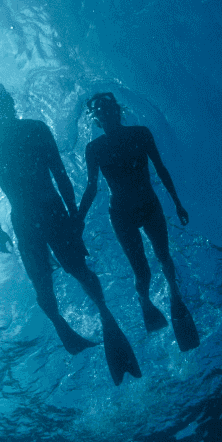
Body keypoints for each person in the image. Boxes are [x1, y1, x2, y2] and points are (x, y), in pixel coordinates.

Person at [0, 84, 141, 385]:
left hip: (46, 213)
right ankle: (72, 325)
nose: (5, 104)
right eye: (0, 101)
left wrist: (74, 214)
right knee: (47, 282)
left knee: (72, 272)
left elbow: (59, 172)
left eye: (6, 99)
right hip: (34, 217)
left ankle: (104, 319)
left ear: (9, 103)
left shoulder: (21, 133)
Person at [75, 92, 200, 351]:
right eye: (100, 110)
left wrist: (177, 202)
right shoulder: (94, 149)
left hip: (149, 206)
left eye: (108, 107)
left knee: (164, 256)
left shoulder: (140, 133)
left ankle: (175, 296)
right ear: (96, 118)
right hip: (121, 214)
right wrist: (79, 219)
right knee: (142, 271)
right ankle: (145, 302)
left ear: (117, 110)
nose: (105, 112)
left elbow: (160, 167)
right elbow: (91, 187)